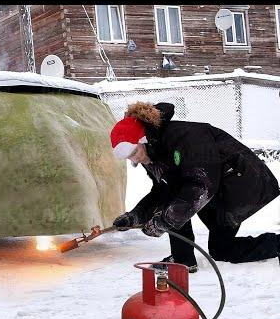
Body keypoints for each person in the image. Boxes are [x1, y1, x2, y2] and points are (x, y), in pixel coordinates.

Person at [109, 101, 280, 273]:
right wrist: (135, 216)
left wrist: (164, 222)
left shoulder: (187, 137)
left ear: (143, 139)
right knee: (221, 248)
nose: (134, 160)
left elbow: (201, 186)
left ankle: (182, 259)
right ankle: (183, 260)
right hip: (218, 188)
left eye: (134, 153)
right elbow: (162, 190)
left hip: (242, 183)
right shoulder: (151, 152)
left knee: (183, 211)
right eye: (129, 157)